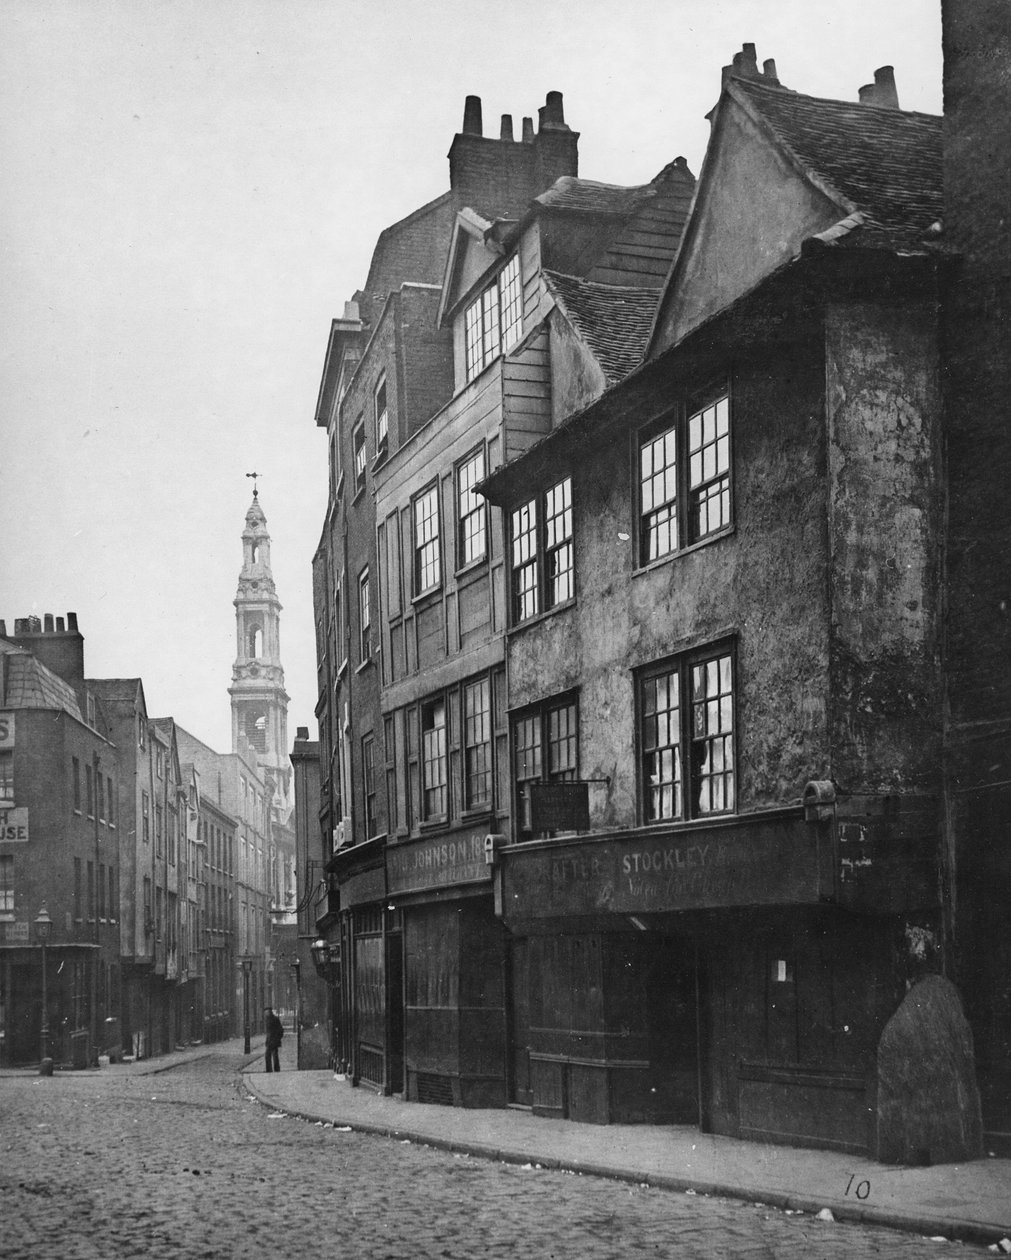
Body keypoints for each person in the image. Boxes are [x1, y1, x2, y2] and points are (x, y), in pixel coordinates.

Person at [264, 1008, 283, 1073]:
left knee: (271, 1055)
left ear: (269, 1012)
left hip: (273, 1040)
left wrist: (277, 1038)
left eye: (266, 1012)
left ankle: (271, 1069)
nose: (265, 1014)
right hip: (270, 1041)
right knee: (271, 1055)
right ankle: (274, 1069)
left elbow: (280, 1030)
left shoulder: (274, 1019)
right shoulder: (268, 1019)